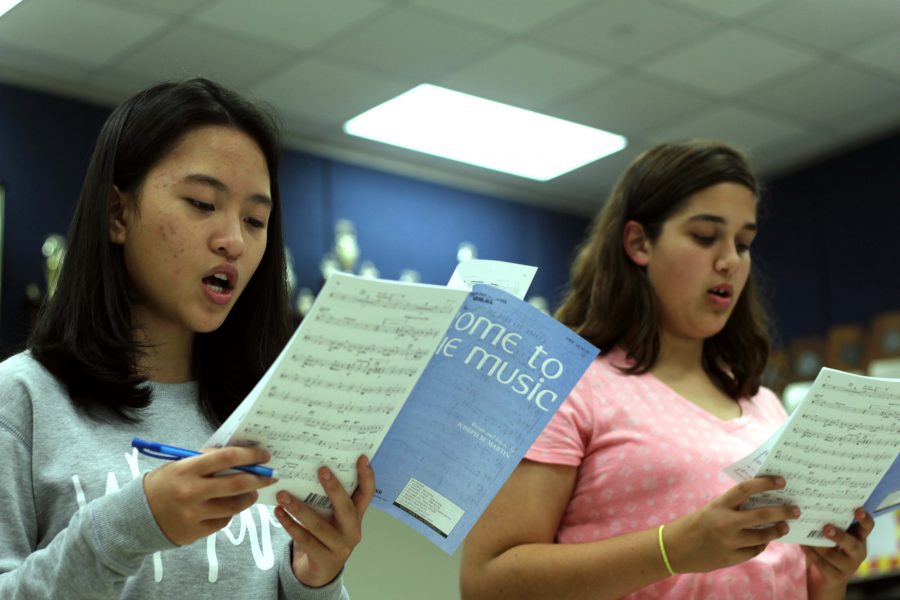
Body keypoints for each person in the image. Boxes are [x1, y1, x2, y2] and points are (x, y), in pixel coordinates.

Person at [0, 78, 374, 599]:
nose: (234, 241)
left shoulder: (269, 415)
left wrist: (316, 579)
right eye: (202, 203)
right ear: (117, 214)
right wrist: (131, 522)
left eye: (255, 219)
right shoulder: (21, 399)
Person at [459, 140, 872, 600]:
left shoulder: (765, 405)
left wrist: (826, 579)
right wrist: (672, 549)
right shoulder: (568, 386)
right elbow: (487, 582)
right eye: (704, 237)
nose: (730, 261)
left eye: (743, 243)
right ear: (638, 243)